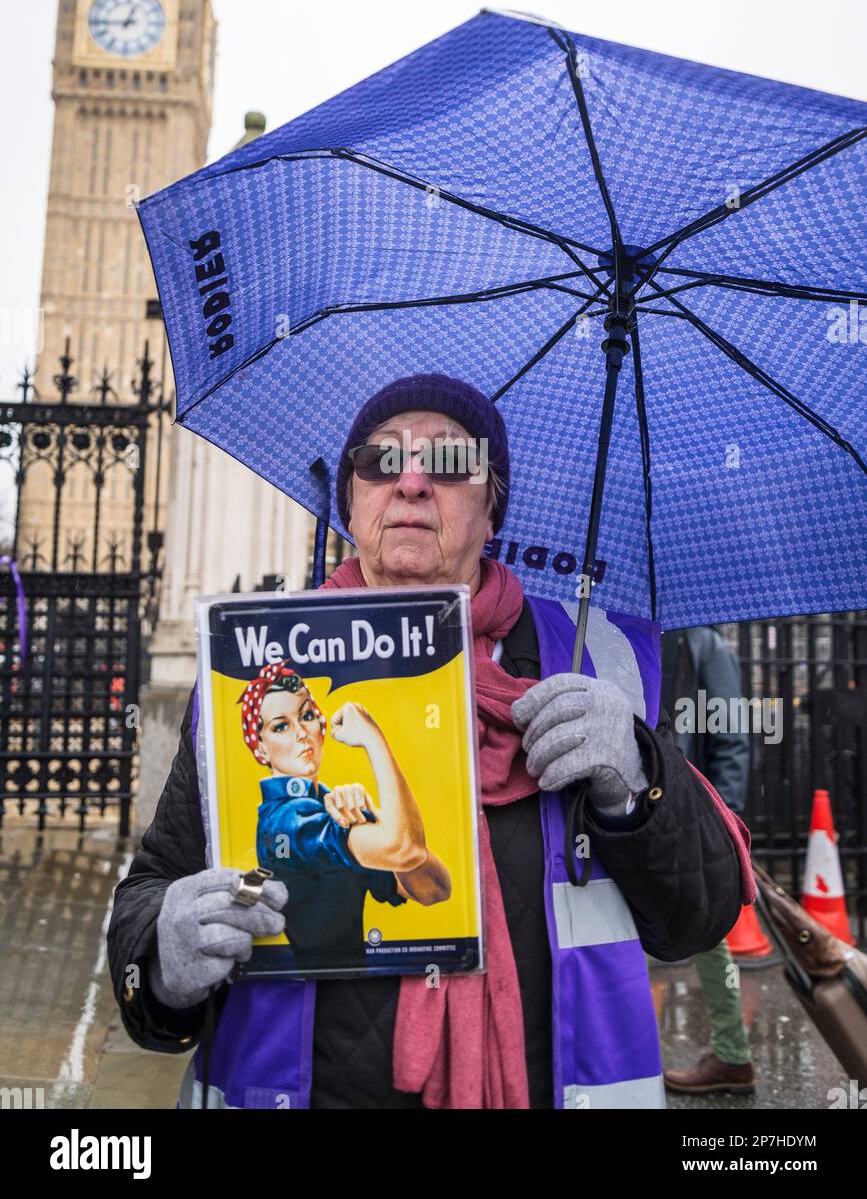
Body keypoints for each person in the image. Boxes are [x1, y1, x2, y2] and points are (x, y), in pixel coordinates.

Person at [107, 372, 753, 1110]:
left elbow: (695, 920)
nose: (412, 482)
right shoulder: (257, 672)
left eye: (449, 462)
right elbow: (154, 884)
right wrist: (162, 957)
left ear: (491, 507)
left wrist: (638, 781)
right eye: (380, 461)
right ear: (351, 499)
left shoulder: (591, 659)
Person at [244, 662, 450, 968]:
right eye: (281, 726)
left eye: (307, 716)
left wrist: (373, 819)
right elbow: (405, 849)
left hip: (360, 987)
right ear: (261, 748)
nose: (302, 733)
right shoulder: (287, 820)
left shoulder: (323, 808)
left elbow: (434, 889)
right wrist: (373, 740)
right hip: (313, 995)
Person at [659, 625, 755, 1096]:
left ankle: (733, 1054)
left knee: (709, 933)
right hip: (638, 809)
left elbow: (732, 737)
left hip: (691, 814)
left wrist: (725, 821)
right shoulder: (620, 631)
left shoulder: (704, 644)